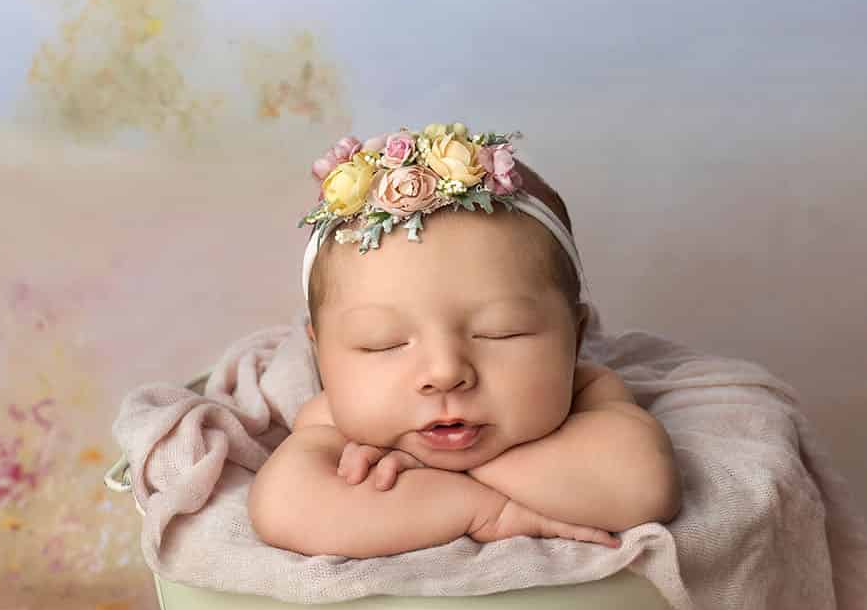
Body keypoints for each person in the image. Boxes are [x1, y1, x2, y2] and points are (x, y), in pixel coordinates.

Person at [247, 123, 682, 559]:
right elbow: (282, 508)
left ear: (576, 337)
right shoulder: (335, 420)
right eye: (383, 343)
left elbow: (643, 488)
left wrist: (437, 469)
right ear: (322, 358)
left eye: (500, 331)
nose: (445, 372)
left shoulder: (590, 392)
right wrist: (486, 510)